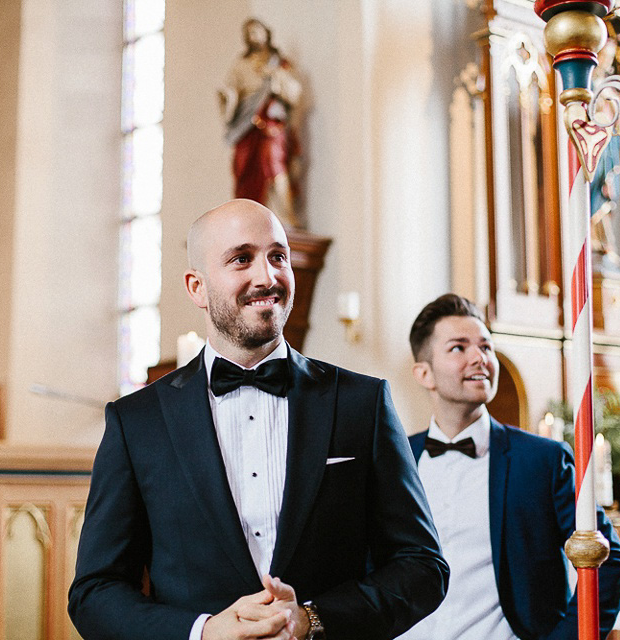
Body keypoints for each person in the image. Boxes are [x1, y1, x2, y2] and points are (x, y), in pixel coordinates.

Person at [69, 199, 448, 640]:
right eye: (241, 259)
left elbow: (423, 567)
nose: (267, 277)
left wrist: (313, 619)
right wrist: (203, 632)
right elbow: (95, 592)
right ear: (197, 286)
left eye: (278, 257)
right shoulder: (137, 423)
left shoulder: (362, 403)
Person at [399, 293, 620, 640]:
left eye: (486, 347)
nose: (480, 358)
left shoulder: (542, 460)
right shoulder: (397, 458)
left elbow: (609, 562)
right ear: (424, 373)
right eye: (459, 348)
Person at [219, 19, 302, 229]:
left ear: (266, 33)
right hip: (247, 127)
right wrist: (229, 98)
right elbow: (231, 92)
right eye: (250, 33)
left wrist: (276, 79)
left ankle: (283, 216)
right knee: (245, 169)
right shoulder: (240, 64)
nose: (254, 36)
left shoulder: (278, 62)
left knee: (274, 165)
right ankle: (246, 222)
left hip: (271, 125)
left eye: (257, 31)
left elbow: (294, 92)